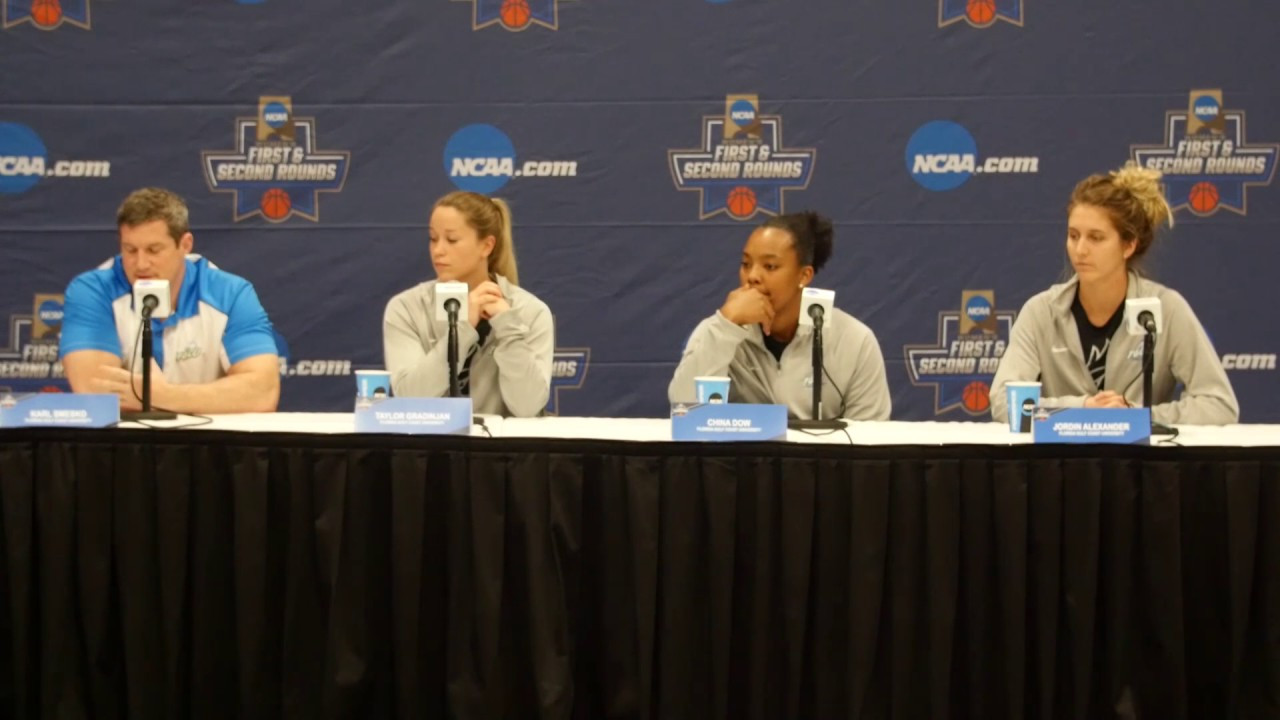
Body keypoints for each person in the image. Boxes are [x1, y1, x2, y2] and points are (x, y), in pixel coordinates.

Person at [989, 164, 1238, 425]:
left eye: (1096, 238)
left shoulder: (1166, 309)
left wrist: (1136, 417)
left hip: (1140, 464)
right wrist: (1083, 408)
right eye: (1073, 236)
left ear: (1128, 245)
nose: (1080, 250)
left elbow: (1219, 405)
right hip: (1058, 463)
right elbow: (1004, 402)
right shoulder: (1041, 312)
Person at [59, 187, 281, 413]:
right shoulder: (93, 291)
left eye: (154, 250)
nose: (141, 264)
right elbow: (96, 394)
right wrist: (207, 399)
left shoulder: (230, 294)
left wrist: (162, 396)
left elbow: (262, 394)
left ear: (185, 245)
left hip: (206, 444)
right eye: (130, 250)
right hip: (123, 445)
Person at [668, 211, 891, 420]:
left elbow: (870, 441)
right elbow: (685, 412)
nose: (753, 276)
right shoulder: (718, 329)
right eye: (746, 264)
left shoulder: (853, 341)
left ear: (804, 275)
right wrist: (726, 326)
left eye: (770, 266)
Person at [383, 191, 553, 417]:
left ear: (487, 246)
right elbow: (411, 400)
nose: (438, 250)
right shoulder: (406, 308)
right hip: (431, 449)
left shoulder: (530, 312)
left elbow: (527, 407)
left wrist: (508, 328)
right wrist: (463, 328)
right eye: (433, 239)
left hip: (503, 450)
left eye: (451, 240)